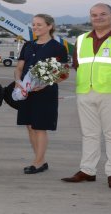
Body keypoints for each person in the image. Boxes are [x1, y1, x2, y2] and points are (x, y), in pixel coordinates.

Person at [61, 3, 111, 190]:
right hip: (85, 91)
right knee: (89, 134)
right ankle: (87, 170)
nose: (98, 18)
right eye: (94, 15)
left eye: (103, 14)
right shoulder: (81, 39)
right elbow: (77, 64)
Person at [14, 14, 68, 174]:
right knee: (30, 126)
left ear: (50, 26)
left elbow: (63, 74)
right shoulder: (28, 45)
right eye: (33, 25)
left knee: (40, 127)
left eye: (39, 24)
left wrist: (44, 84)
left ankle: (37, 162)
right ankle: (40, 160)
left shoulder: (58, 47)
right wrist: (18, 82)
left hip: (45, 92)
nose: (35, 27)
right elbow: (19, 68)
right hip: (27, 91)